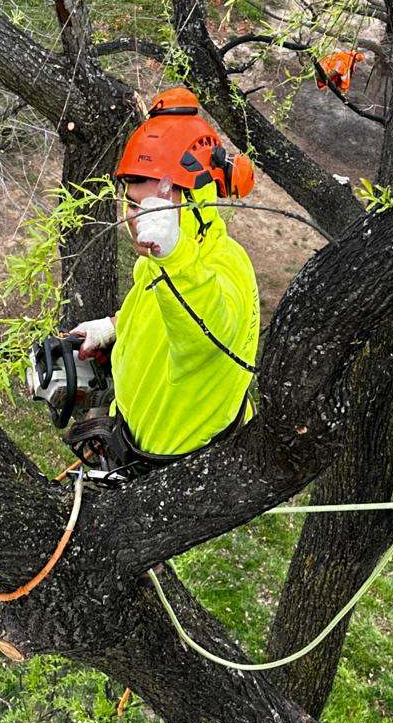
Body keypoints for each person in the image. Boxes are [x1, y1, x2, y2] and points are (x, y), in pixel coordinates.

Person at [70, 87, 260, 465]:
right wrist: (113, 327)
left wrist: (175, 258)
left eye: (154, 206)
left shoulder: (226, 267)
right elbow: (160, 312)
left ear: (197, 200)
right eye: (132, 204)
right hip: (132, 434)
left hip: (180, 461)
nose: (139, 220)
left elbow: (205, 337)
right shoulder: (160, 262)